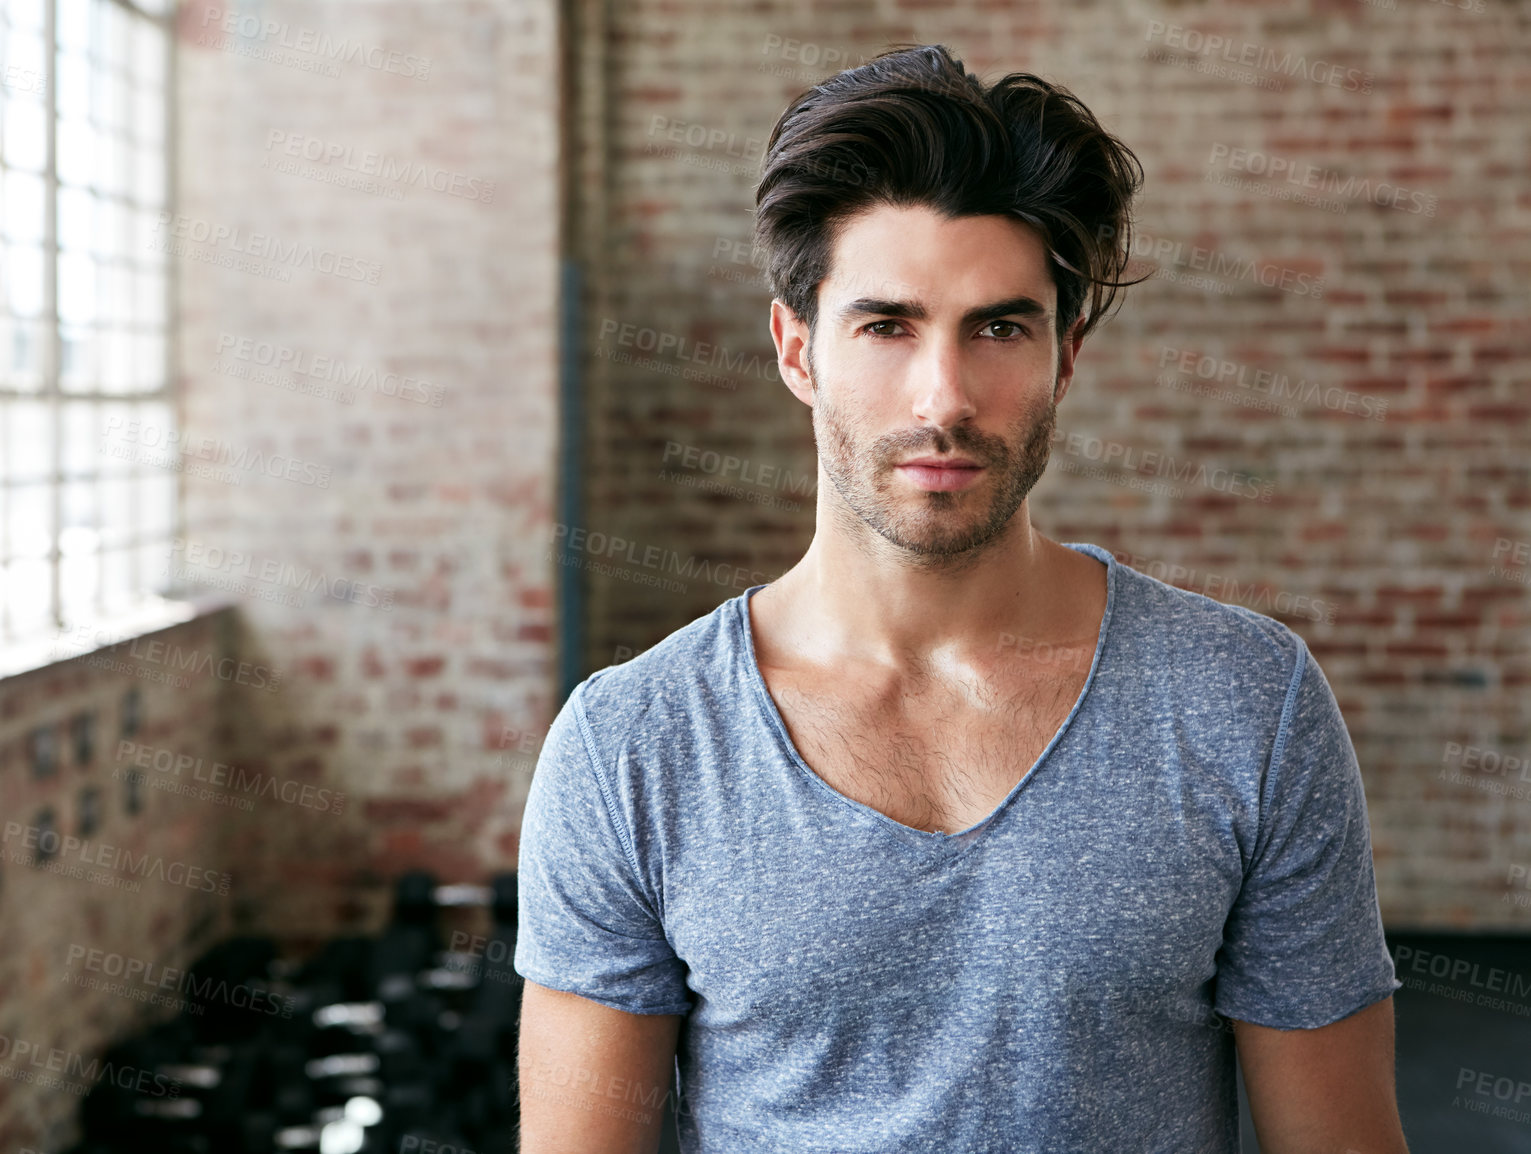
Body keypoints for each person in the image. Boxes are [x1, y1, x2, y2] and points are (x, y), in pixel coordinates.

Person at [514, 43, 1406, 1154]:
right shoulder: (632, 746)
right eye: (887, 325)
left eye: (1000, 327)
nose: (944, 396)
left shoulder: (1246, 703)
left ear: (1065, 355)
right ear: (797, 349)